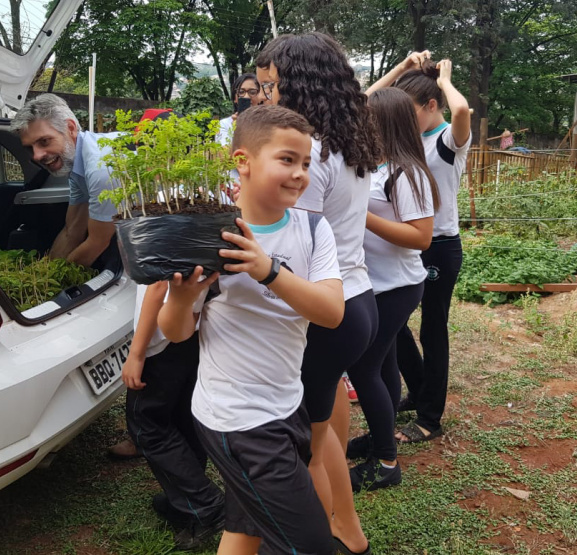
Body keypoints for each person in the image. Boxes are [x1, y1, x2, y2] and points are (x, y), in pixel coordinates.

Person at [159, 104, 344, 555]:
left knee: (245, 528)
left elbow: (331, 312)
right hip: (238, 419)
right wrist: (183, 298)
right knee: (312, 544)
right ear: (242, 161)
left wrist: (267, 270)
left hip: (286, 402)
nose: (300, 173)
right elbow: (176, 331)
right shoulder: (210, 234)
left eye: (305, 162)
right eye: (286, 159)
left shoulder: (314, 228)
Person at [256, 32, 379, 554]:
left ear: (299, 84)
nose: (265, 99)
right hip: (359, 300)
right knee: (327, 426)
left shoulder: (308, 159)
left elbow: (293, 247)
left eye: (271, 87)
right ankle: (347, 529)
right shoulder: (347, 139)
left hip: (327, 310)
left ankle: (312, 539)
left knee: (306, 446)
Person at [368, 53, 471, 444]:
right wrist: (401, 70)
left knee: (432, 329)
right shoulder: (402, 140)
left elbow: (460, 108)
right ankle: (418, 388)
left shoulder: (447, 140)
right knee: (394, 327)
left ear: (431, 107)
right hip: (404, 246)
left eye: (411, 112)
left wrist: (444, 79)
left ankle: (430, 417)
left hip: (439, 247)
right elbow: (365, 104)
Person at [346, 87, 438, 492]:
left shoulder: (408, 172)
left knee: (363, 366)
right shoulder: (373, 166)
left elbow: (421, 237)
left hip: (398, 286)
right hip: (373, 284)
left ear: (386, 122)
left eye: (368, 117)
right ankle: (380, 436)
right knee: (382, 365)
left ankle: (385, 461)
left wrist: (360, 215)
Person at [120, 282, 226, 550]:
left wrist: (137, 352)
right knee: (183, 419)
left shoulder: (169, 236)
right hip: (192, 328)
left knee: (146, 426)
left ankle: (207, 504)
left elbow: (156, 286)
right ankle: (184, 504)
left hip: (161, 337)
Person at [10, 93, 120, 268]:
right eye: (30, 148)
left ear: (70, 128)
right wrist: (44, 270)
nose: (37, 155)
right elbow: (72, 231)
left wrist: (49, 284)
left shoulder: (100, 168)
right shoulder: (78, 166)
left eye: (44, 141)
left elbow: (97, 243)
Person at [216, 73, 262, 146]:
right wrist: (237, 130)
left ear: (261, 96)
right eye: (241, 92)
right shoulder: (224, 124)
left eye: (252, 92)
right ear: (235, 98)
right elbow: (222, 154)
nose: (246, 97)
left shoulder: (267, 124)